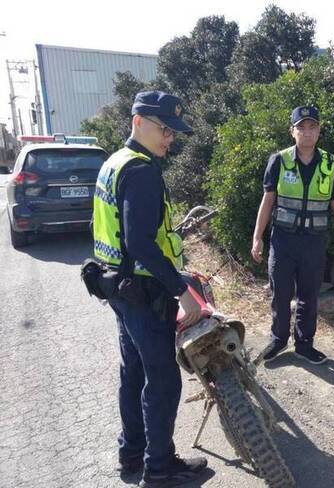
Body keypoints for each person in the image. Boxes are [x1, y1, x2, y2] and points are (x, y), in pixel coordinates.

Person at [93, 90, 207, 486]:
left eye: (173, 133)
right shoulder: (141, 171)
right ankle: (158, 467)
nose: (169, 139)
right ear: (138, 121)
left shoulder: (114, 162)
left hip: (119, 289)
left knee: (134, 372)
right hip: (144, 292)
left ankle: (131, 454)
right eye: (164, 129)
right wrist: (181, 290)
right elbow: (141, 242)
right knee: (162, 380)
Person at [251, 106, 334, 365]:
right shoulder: (279, 160)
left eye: (312, 127)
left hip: (314, 242)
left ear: (319, 131)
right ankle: (278, 339)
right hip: (283, 240)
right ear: (292, 131)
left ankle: (304, 344)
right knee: (281, 293)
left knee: (309, 294)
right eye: (301, 127)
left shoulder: (330, 164)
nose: (307, 133)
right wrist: (257, 237)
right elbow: (268, 201)